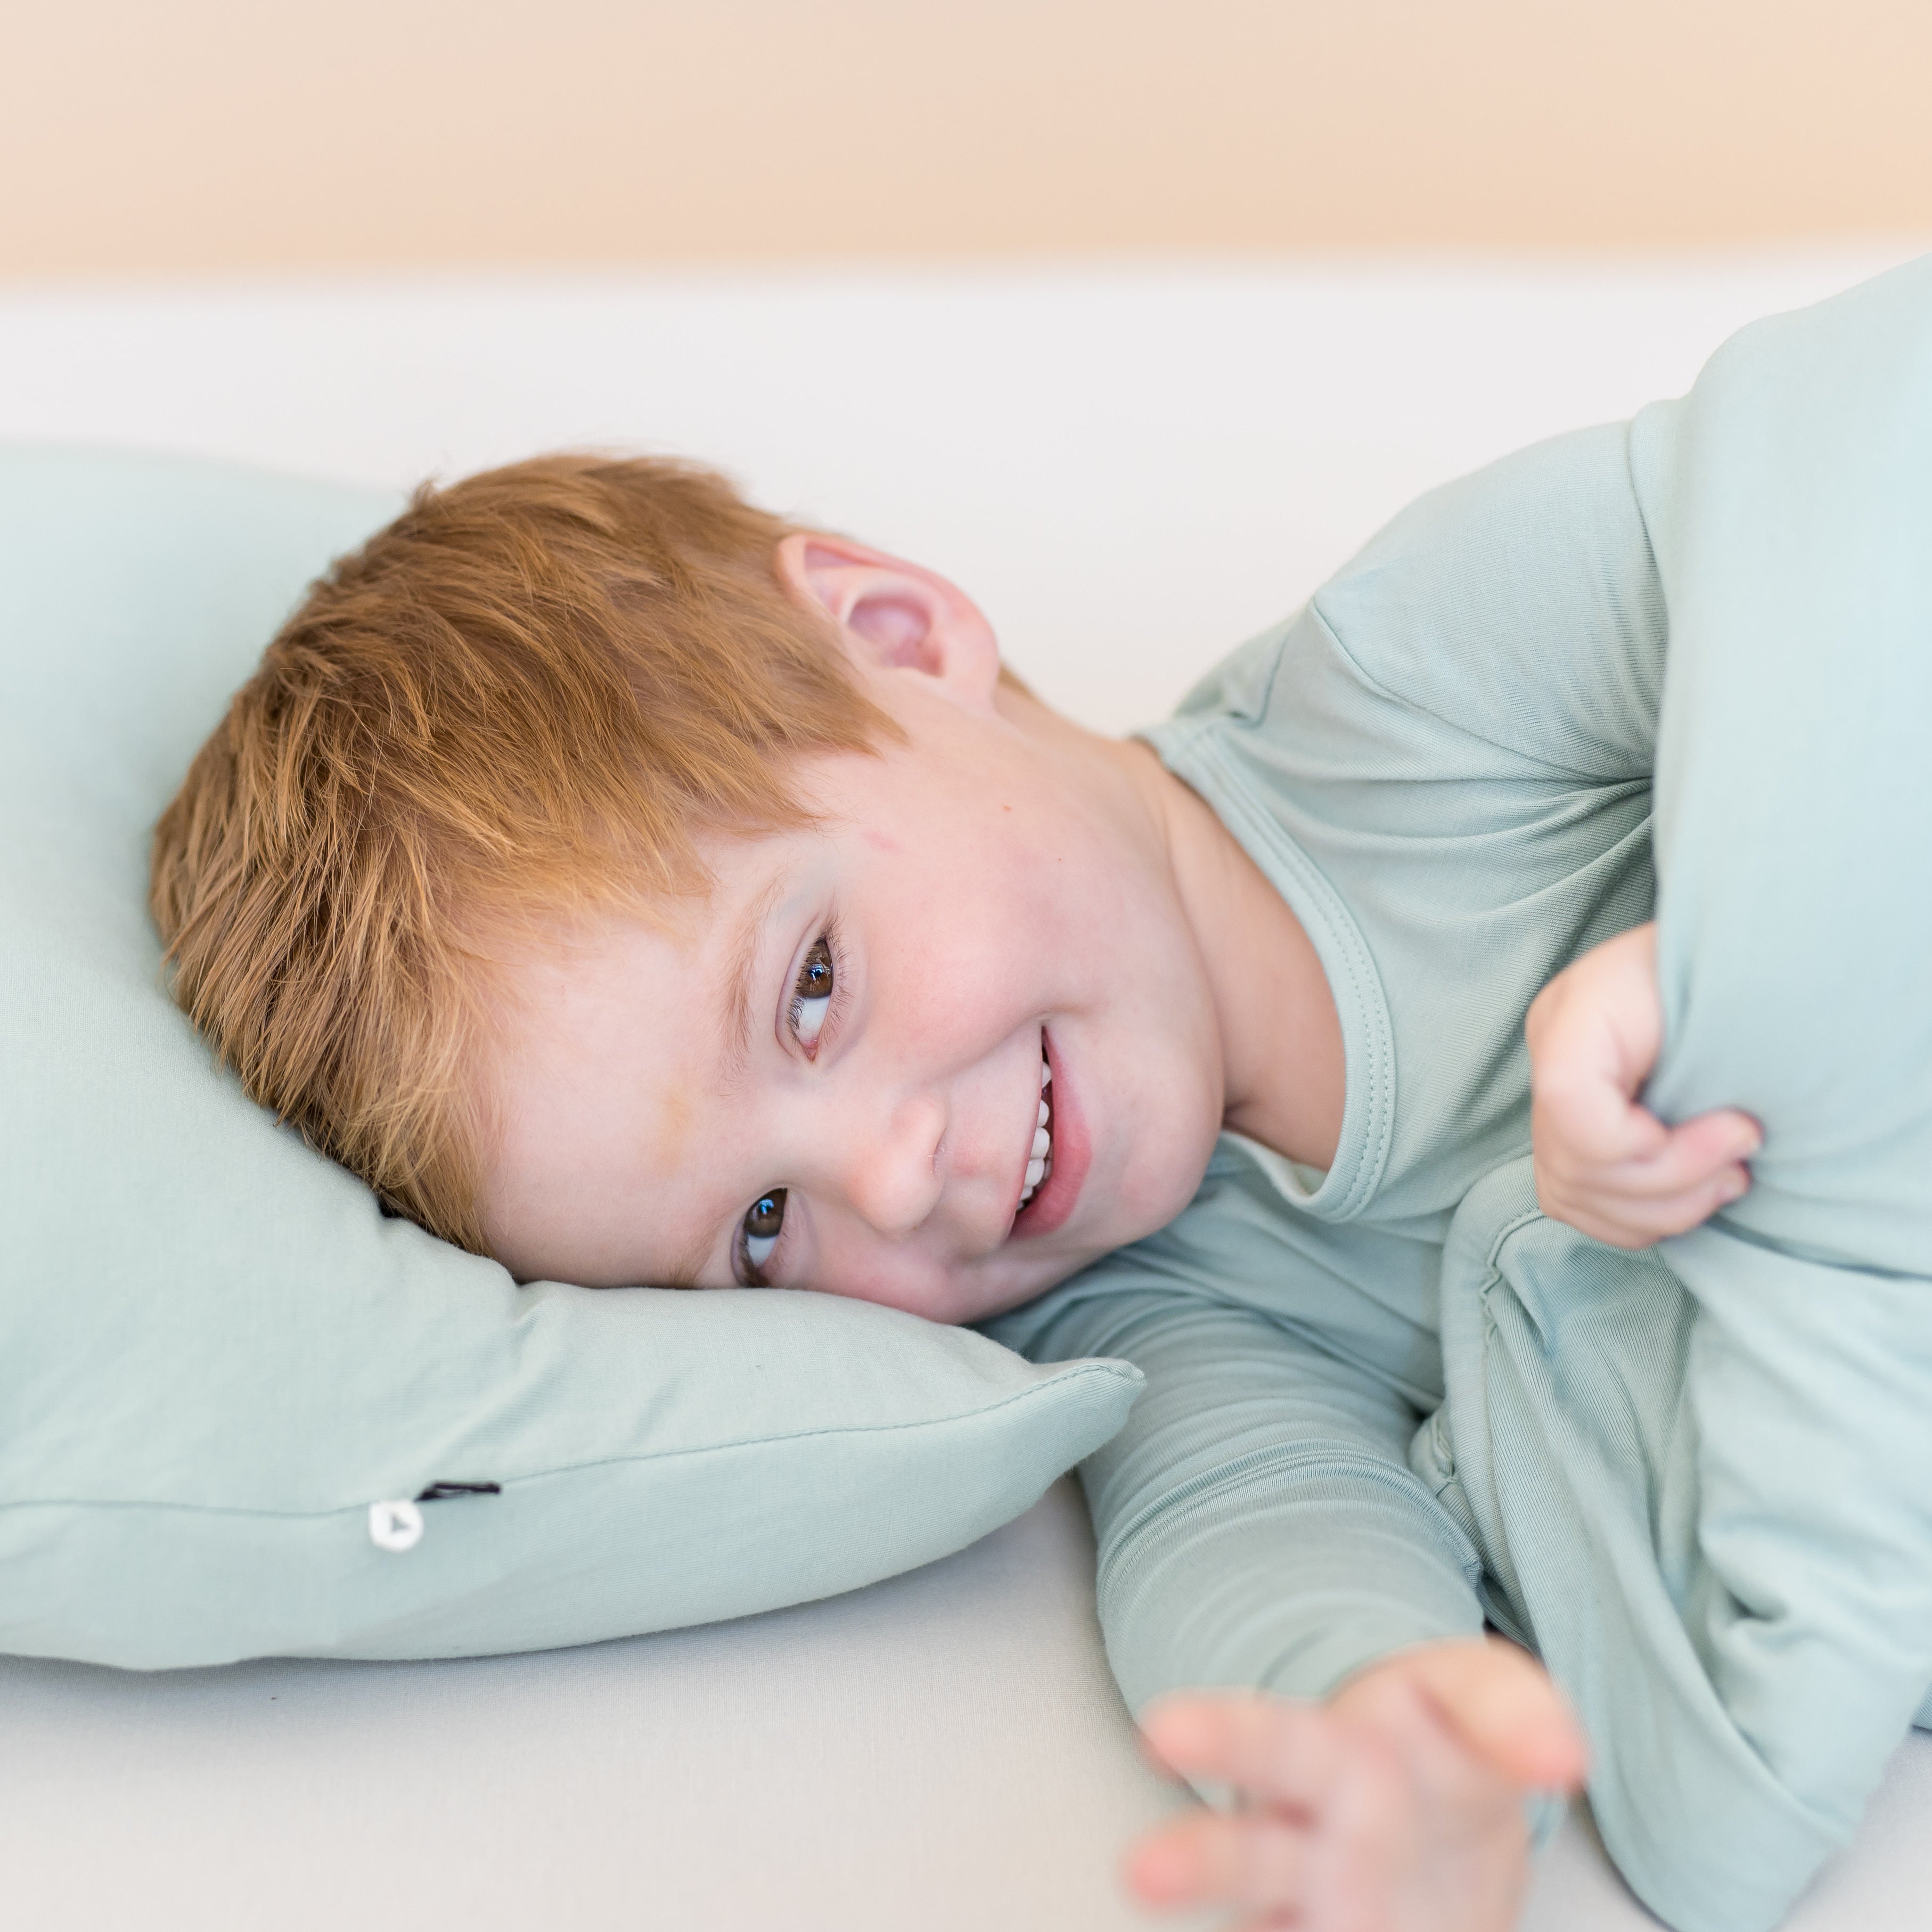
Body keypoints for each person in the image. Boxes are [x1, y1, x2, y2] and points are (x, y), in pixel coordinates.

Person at [150, 256, 1932, 1932]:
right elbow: (1243, 1538)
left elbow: (1843, 468)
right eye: (763, 1230)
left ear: (901, 635)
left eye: (814, 987)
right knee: (1700, 1817)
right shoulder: (1153, 1305)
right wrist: (1386, 1729)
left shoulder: (1411, 700)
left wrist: (1739, 944)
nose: (897, 1172)